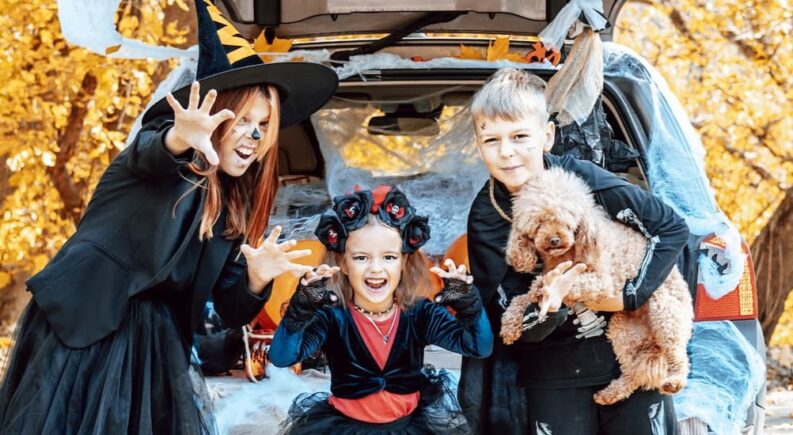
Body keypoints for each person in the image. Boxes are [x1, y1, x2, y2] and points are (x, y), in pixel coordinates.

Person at [0, 2, 337, 434]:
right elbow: (154, 154)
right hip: (89, 327)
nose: (255, 135)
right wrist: (181, 137)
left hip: (157, 341)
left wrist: (256, 276)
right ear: (213, 121)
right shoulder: (156, 159)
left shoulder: (233, 204)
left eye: (264, 125)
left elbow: (230, 310)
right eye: (244, 120)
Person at [458, 68, 690, 434]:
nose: (507, 152)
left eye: (520, 137)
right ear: (478, 143)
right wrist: (546, 308)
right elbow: (503, 316)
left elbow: (672, 228)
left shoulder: (586, 181)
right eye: (492, 141)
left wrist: (628, 297)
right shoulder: (487, 215)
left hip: (626, 359)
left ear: (547, 135)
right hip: (552, 374)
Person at [269, 185, 493, 434]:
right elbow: (282, 357)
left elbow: (479, 346)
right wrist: (301, 308)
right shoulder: (333, 316)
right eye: (361, 258)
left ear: (404, 261)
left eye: (388, 257)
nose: (376, 269)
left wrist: (468, 303)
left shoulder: (420, 314)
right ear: (343, 263)